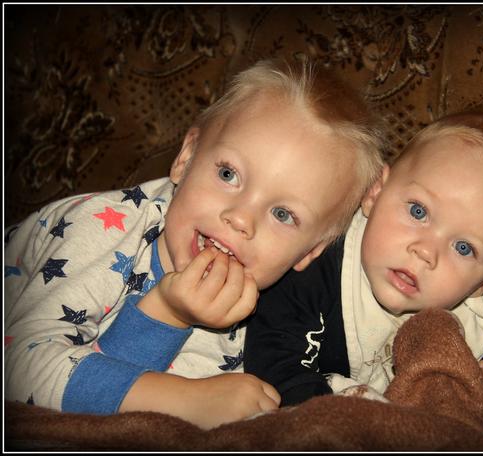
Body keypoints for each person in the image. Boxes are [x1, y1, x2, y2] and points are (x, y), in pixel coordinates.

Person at [4, 58, 388, 429]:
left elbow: (107, 416)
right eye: (228, 174)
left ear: (310, 252)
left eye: (283, 214)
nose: (241, 218)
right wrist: (179, 375)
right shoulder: (99, 227)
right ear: (186, 157)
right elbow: (19, 372)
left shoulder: (270, 314)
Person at [244, 109, 483, 406]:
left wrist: (469, 386)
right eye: (418, 211)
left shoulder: (455, 331)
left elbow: (436, 407)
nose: (425, 251)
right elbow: (272, 360)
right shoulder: (317, 258)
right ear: (375, 192)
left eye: (463, 248)